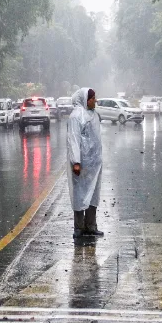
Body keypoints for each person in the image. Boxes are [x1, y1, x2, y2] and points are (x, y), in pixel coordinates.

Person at [67, 88, 104, 238]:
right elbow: (73, 140)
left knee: (93, 194)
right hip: (81, 163)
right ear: (84, 99)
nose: (95, 100)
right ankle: (79, 227)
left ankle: (91, 226)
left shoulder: (94, 115)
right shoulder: (76, 116)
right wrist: (76, 161)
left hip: (94, 163)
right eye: (92, 98)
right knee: (80, 194)